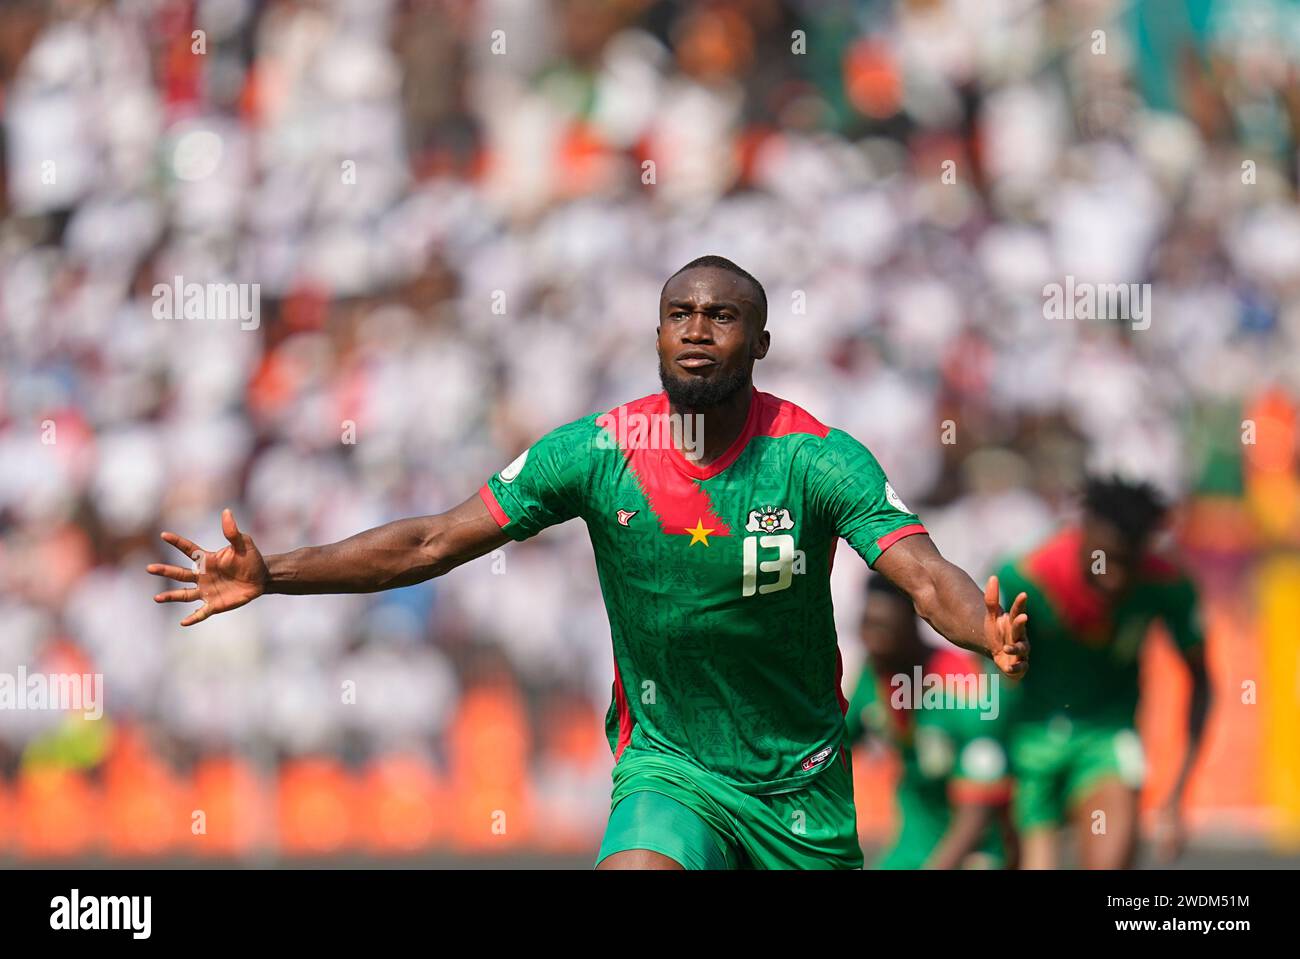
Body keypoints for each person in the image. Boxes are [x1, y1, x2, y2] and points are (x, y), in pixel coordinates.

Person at [147, 255, 1029, 870]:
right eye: (679, 314)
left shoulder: (819, 458)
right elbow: (431, 541)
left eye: (722, 317)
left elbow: (922, 574)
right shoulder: (599, 451)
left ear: (759, 344)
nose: (696, 330)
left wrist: (981, 630)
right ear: (655, 334)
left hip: (800, 781)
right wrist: (275, 573)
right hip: (668, 763)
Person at [993, 476, 1210, 869]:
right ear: (1083, 534)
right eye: (1106, 560)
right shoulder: (1027, 578)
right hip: (1028, 740)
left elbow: (1202, 679)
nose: (1116, 578)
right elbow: (989, 672)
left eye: (1128, 563)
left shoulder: (1167, 584)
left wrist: (1178, 794)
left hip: (1107, 738)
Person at [845, 575, 1016, 869]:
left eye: (883, 629)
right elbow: (836, 750)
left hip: (975, 847)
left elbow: (979, 808)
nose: (872, 642)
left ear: (911, 624)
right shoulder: (874, 674)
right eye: (866, 626)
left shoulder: (964, 687)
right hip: (912, 844)